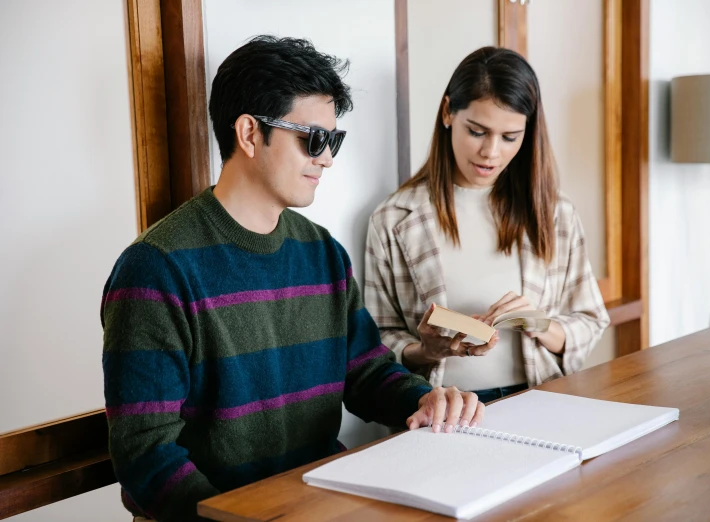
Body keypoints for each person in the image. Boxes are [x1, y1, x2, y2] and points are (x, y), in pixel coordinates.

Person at [101, 36, 482, 522]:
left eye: (334, 140)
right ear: (248, 133)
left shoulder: (322, 252)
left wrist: (424, 399)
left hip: (323, 502)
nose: (327, 158)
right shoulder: (155, 270)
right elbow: (144, 452)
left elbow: (364, 372)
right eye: (313, 139)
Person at [364, 46, 609, 404]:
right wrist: (425, 350)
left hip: (539, 400)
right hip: (441, 409)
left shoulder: (554, 212)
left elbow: (590, 320)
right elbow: (375, 341)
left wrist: (540, 324)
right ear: (448, 112)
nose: (491, 152)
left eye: (510, 137)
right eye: (477, 131)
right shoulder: (393, 219)